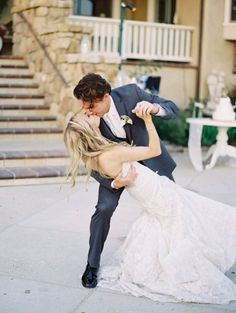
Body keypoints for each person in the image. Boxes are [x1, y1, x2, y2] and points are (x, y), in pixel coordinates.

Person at [64, 111, 236, 304]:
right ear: (88, 130)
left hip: (148, 194)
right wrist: (148, 120)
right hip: (160, 194)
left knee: (178, 223)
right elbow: (154, 149)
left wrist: (117, 180)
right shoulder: (113, 153)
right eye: (86, 117)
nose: (88, 111)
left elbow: (104, 162)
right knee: (202, 217)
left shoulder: (91, 157)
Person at [72, 73, 179, 288]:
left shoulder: (131, 94)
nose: (86, 111)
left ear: (105, 96)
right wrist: (114, 183)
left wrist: (154, 108)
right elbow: (90, 160)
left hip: (150, 161)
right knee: (104, 208)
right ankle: (92, 265)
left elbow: (173, 109)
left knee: (172, 206)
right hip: (114, 170)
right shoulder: (86, 118)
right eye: (84, 106)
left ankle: (175, 257)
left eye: (91, 105)